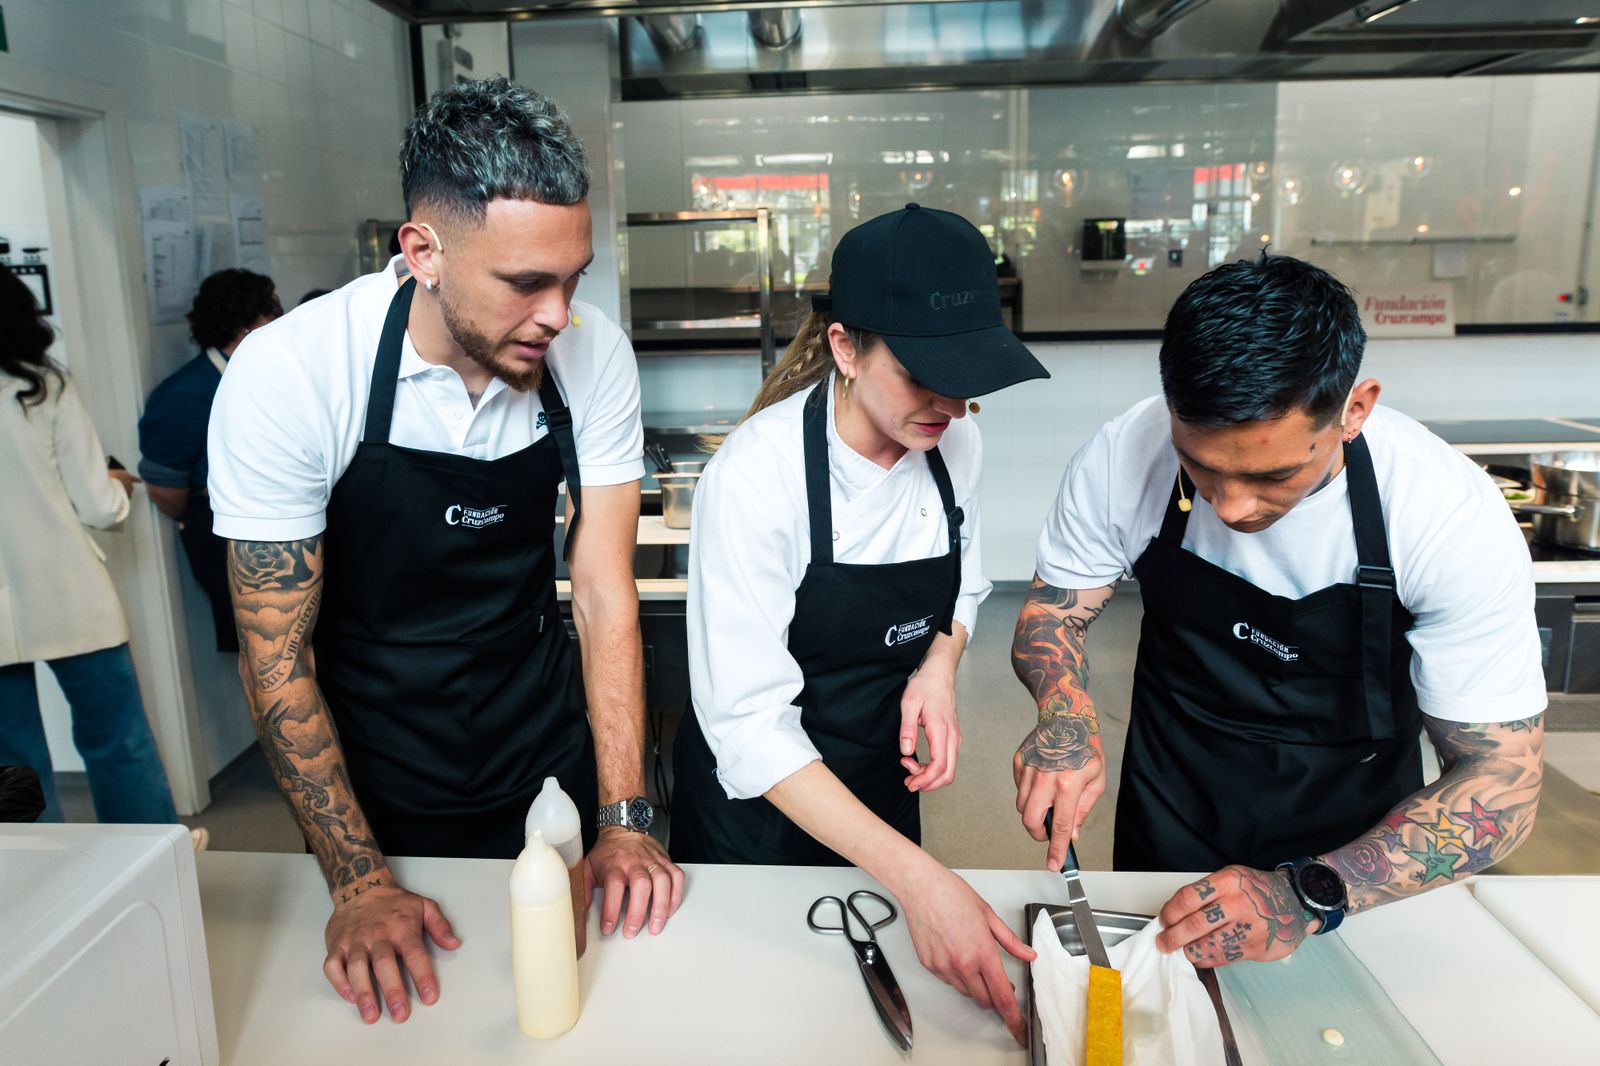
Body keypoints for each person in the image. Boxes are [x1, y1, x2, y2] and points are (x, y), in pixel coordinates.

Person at [207, 78, 682, 1026]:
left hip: (541, 742)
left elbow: (601, 595)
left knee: (582, 1003)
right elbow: (275, 653)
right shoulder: (295, 372)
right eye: (524, 283)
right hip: (376, 770)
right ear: (422, 251)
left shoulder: (592, 355)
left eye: (573, 276)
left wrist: (625, 818)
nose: (558, 313)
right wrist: (356, 881)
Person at [1013, 252, 1545, 969]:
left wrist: (1313, 892)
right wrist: (1066, 718)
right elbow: (1054, 612)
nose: (1229, 507)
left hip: (1357, 844)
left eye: (1272, 474)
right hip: (1176, 787)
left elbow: (1501, 780)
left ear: (1355, 409)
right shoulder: (1122, 456)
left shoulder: (1444, 515)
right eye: (1200, 465)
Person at [674, 204, 1050, 1044]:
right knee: (770, 1025)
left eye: (965, 379)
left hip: (879, 786)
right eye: (923, 375)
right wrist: (920, 880)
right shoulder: (756, 479)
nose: (949, 405)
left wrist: (939, 670)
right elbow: (747, 724)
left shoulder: (955, 443)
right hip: (761, 810)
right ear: (845, 348)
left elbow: (965, 586)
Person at [0, 263, 181, 826]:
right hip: (68, 592)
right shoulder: (41, 384)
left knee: (15, 768)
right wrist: (119, 487)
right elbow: (98, 505)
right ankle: (147, 856)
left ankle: (44, 889)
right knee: (118, 744)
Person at [138, 269, 281, 653]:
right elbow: (167, 490)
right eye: (272, 308)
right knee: (263, 650)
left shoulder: (273, 371)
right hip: (226, 538)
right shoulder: (185, 394)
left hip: (282, 525)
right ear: (247, 323)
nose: (281, 317)